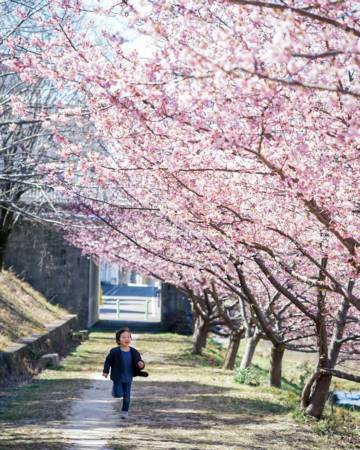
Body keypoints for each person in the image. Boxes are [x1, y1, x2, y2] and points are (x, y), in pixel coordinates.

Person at [102, 327, 147, 419]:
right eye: (123, 337)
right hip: (117, 377)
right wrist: (105, 371)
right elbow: (108, 361)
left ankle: (125, 411)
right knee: (118, 394)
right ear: (118, 340)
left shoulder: (134, 352)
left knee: (127, 397)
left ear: (131, 339)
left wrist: (141, 364)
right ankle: (115, 392)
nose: (126, 339)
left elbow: (139, 361)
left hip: (128, 377)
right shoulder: (115, 351)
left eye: (128, 337)